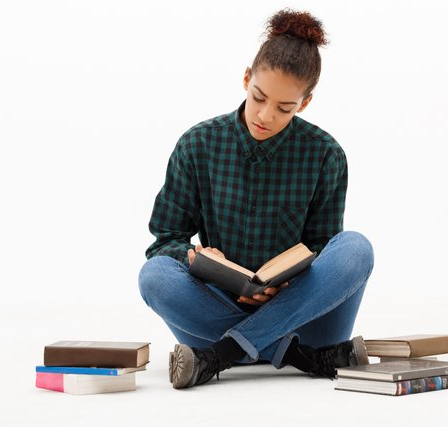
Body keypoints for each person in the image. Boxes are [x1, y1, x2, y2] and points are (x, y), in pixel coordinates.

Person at [138, 8, 374, 389]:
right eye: (258, 97)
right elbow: (165, 240)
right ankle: (296, 357)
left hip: (300, 317)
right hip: (213, 313)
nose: (265, 115)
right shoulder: (198, 144)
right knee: (154, 277)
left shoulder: (325, 154)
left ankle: (224, 356)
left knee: (356, 248)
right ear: (246, 79)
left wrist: (286, 286)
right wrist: (196, 257)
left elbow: (324, 250)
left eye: (285, 108)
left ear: (305, 104)